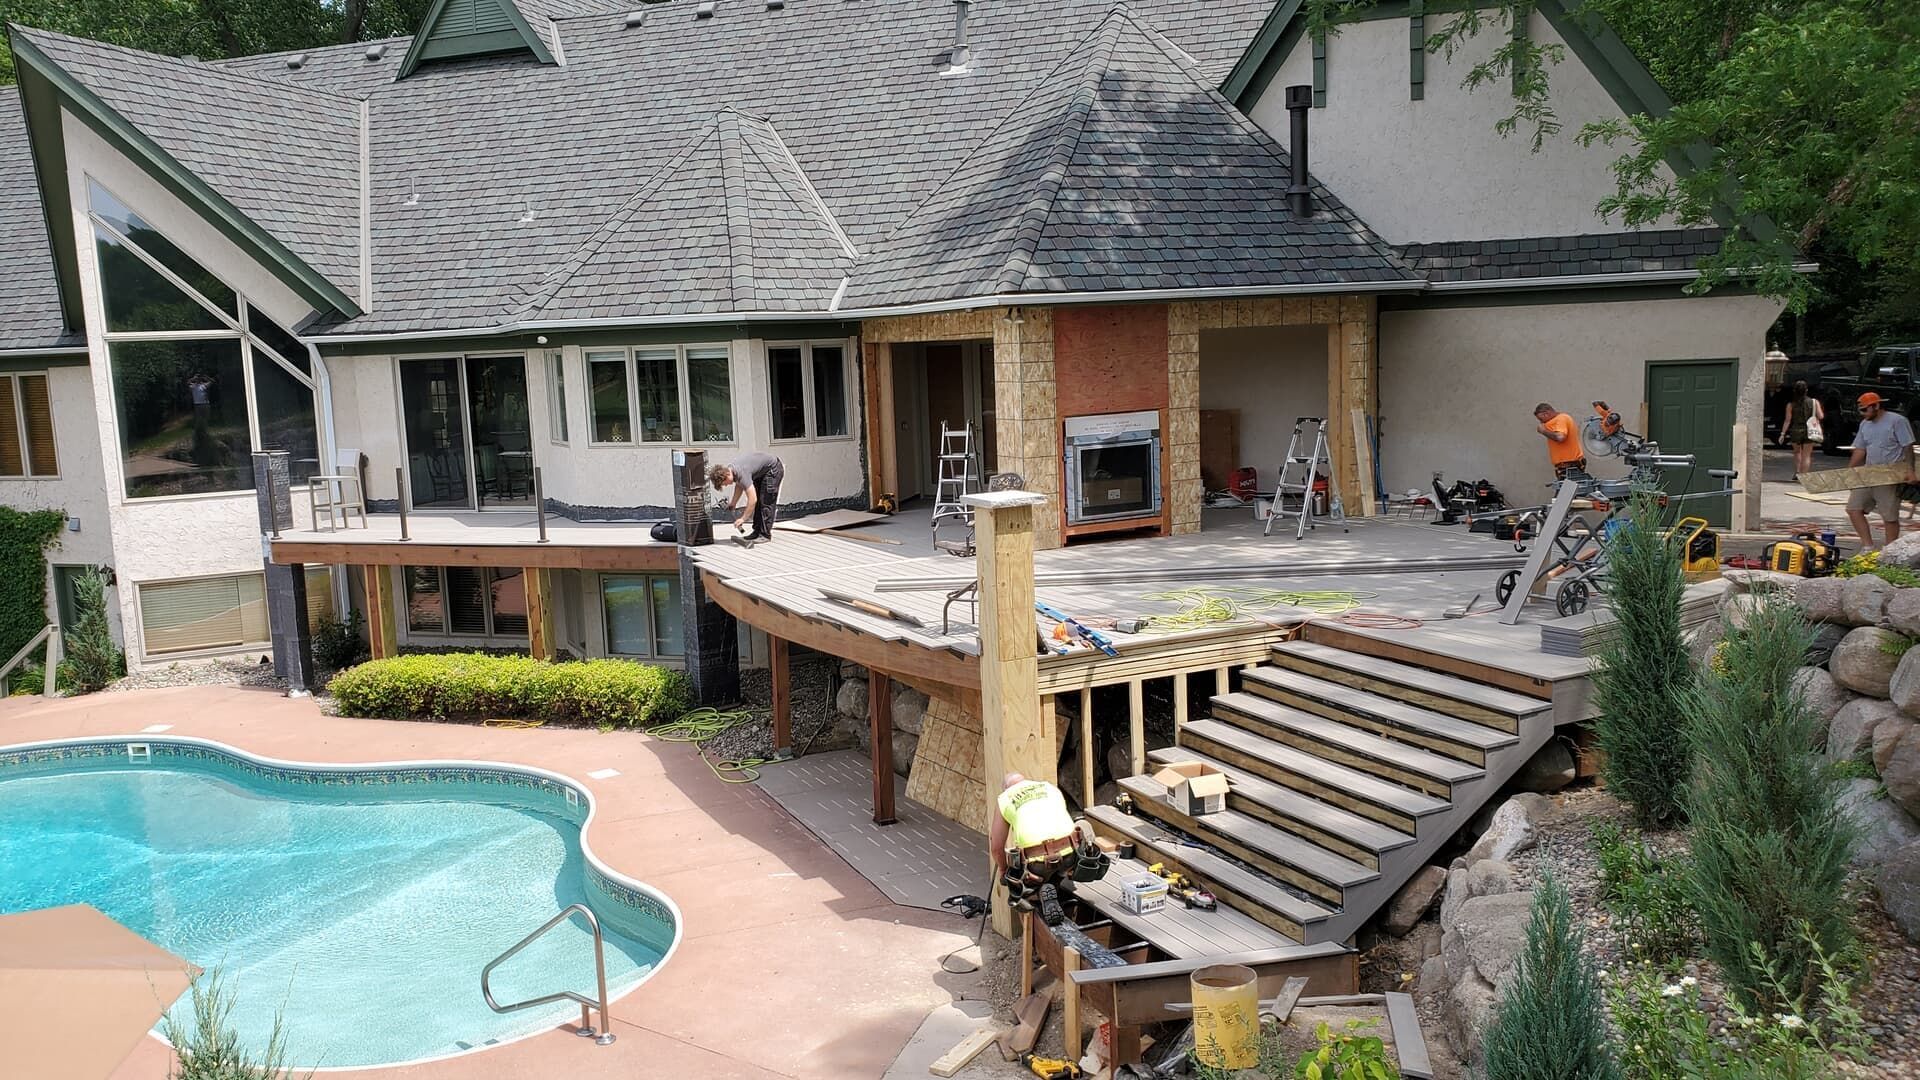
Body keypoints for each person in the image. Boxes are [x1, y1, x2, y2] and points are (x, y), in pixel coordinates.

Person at [989, 773, 1103, 922]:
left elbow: (996, 847)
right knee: (1059, 865)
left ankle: (1040, 892)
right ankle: (1055, 882)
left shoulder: (1005, 798)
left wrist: (1004, 871)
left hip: (1037, 865)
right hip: (1070, 855)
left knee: (1018, 881)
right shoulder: (1049, 787)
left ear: (1006, 788)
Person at [1846, 392, 1917, 551]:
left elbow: (1907, 446)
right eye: (1861, 410)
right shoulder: (1865, 424)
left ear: (1876, 406)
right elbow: (1860, 449)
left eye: (1865, 410)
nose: (1862, 414)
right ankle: (1867, 547)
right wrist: (1849, 472)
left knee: (1889, 516)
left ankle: (1889, 550)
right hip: (1869, 473)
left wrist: (1910, 471)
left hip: (1890, 473)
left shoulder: (1897, 421)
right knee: (1853, 508)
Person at [707, 452, 783, 546]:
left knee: (765, 502)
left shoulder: (741, 472)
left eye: (724, 483)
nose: (726, 485)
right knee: (760, 501)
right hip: (762, 473)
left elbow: (752, 499)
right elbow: (739, 485)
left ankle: (765, 534)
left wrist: (743, 519)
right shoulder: (732, 470)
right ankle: (757, 532)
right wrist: (733, 503)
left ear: (726, 475)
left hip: (773, 470)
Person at [1781, 380, 1824, 478]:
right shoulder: (1814, 402)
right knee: (1806, 455)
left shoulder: (1791, 405)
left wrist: (1782, 433)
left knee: (1797, 452)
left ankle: (1797, 472)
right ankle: (1804, 476)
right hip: (1809, 431)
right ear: (1807, 390)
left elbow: (1788, 420)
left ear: (1794, 391)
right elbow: (1821, 416)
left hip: (1795, 431)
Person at [1533, 402, 1586, 479]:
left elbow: (1560, 437)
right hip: (1568, 466)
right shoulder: (1561, 419)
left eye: (1541, 419)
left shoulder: (1560, 419)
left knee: (1568, 490)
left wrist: (1543, 431)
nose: (1541, 422)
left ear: (1546, 413)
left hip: (1570, 466)